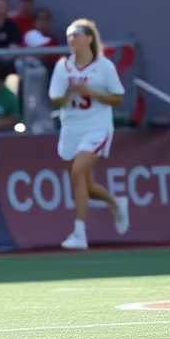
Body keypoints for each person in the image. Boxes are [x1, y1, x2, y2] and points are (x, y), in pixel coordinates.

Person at [48, 19, 130, 251]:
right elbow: (55, 99)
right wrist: (67, 92)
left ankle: (79, 233)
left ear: (89, 39)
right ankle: (116, 203)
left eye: (76, 35)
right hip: (71, 127)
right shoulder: (63, 66)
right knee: (85, 184)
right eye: (69, 36)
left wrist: (90, 92)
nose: (72, 40)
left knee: (78, 171)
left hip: (96, 126)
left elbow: (117, 98)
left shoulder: (103, 66)